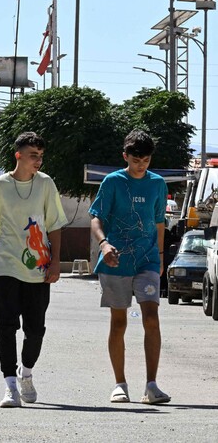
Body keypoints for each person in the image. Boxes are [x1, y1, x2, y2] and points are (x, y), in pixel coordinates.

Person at [0, 131, 67, 408]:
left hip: (38, 267)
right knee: (5, 326)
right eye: (33, 156)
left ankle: (26, 372)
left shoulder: (45, 185)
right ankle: (10, 386)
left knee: (36, 330)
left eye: (40, 156)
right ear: (19, 156)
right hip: (5, 265)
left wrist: (55, 262)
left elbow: (53, 224)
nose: (38, 161)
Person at [88, 130, 170, 405]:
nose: (141, 165)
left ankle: (151, 385)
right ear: (125, 156)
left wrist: (159, 256)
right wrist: (104, 245)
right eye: (136, 160)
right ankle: (119, 384)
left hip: (147, 259)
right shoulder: (112, 182)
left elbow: (159, 222)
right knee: (119, 321)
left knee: (151, 318)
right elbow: (96, 218)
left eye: (146, 160)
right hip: (116, 260)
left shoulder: (158, 184)